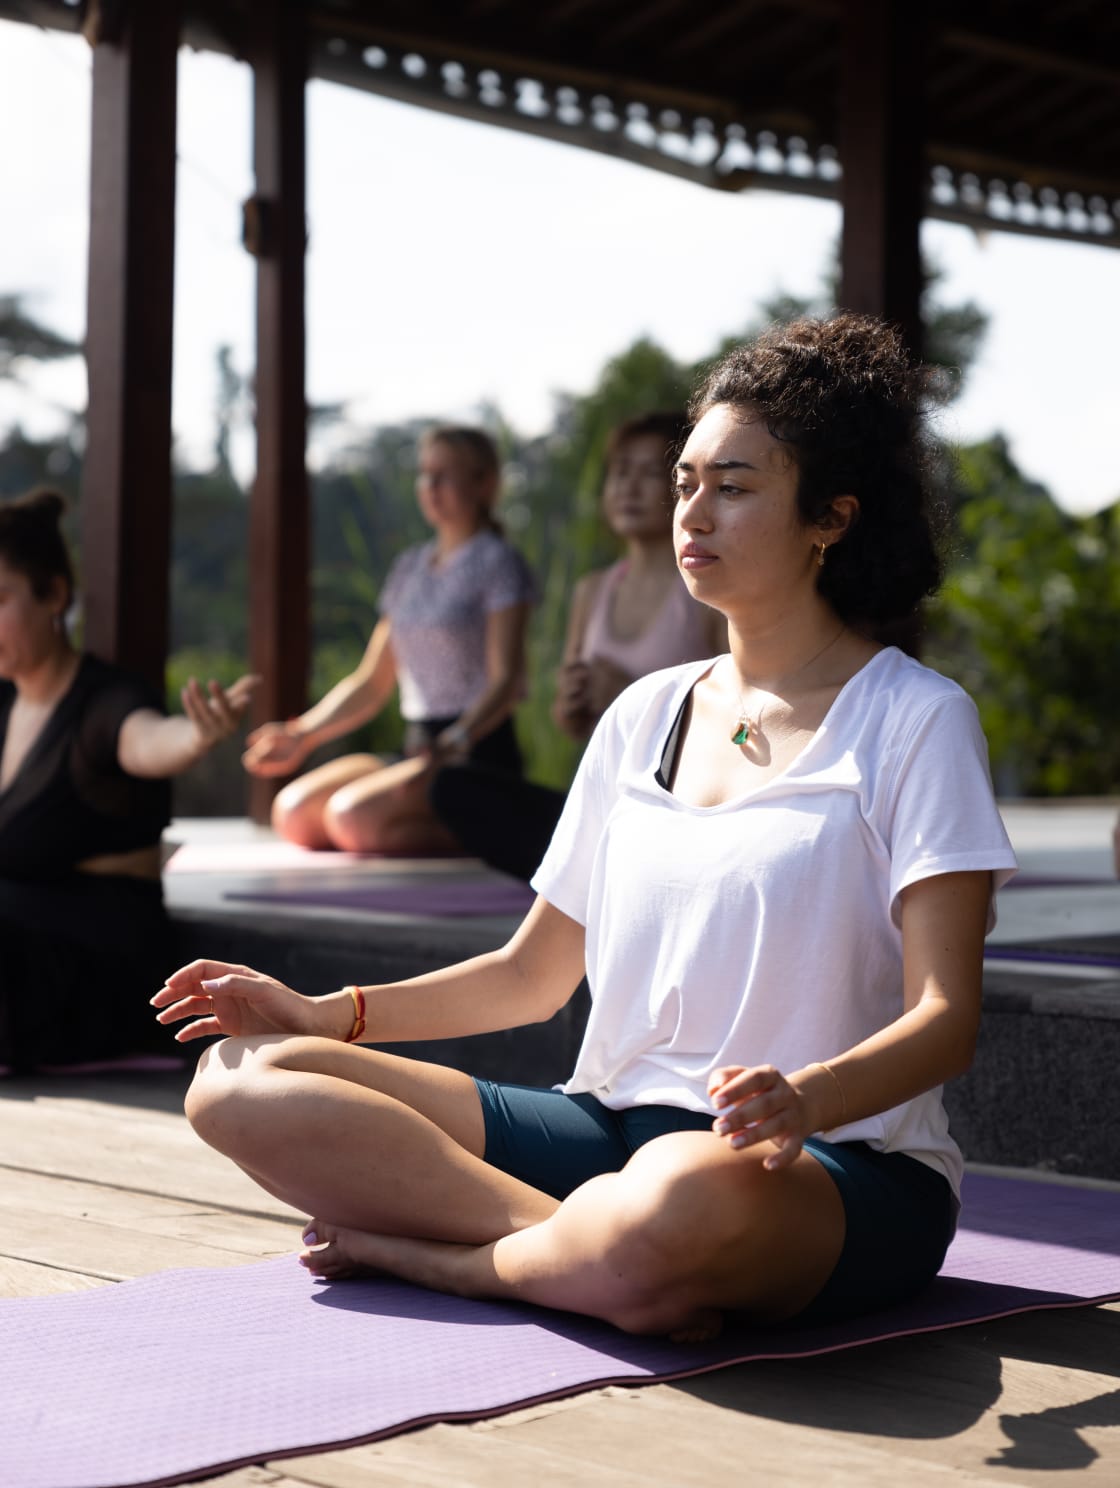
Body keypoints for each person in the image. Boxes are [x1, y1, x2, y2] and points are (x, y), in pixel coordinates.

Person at [154, 315, 1018, 1340]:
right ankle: (591, 1259)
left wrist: (808, 1098)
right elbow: (532, 975)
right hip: (609, 1133)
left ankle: (470, 1260)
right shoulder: (643, 714)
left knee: (682, 1189)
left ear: (830, 517)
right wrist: (319, 1011)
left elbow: (943, 1017)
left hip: (821, 1164)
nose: (689, 511)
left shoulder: (913, 719)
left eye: (732, 487)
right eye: (686, 481)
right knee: (240, 1081)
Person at [0, 488, 256, 1071]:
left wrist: (195, 736)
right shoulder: (3, 704)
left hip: (92, 967)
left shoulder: (106, 701)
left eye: (0, 598)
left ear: (55, 596)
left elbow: (148, 740)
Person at [430, 412, 727, 880]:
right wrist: (572, 707)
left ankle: (600, 877)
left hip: (675, 810)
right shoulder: (593, 591)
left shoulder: (707, 590)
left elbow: (735, 726)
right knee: (454, 789)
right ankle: (592, 874)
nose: (629, 487)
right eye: (620, 472)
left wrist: (630, 696)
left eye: (650, 473)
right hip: (600, 808)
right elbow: (571, 725)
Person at [242, 425, 536, 856]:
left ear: (484, 484)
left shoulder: (498, 562)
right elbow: (372, 681)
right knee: (294, 813)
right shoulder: (410, 568)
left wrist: (453, 742)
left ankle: (505, 834)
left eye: (445, 475)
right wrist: (302, 734)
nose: (430, 487)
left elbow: (506, 680)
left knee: (351, 820)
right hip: (416, 747)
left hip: (471, 754)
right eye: (424, 474)